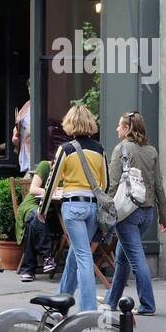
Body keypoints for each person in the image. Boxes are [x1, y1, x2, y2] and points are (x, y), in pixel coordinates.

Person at [38, 104, 106, 313]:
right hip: (94, 208)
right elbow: (106, 184)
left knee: (83, 257)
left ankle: (88, 310)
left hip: (73, 207)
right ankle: (61, 302)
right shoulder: (99, 149)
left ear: (70, 124)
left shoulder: (66, 149)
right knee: (75, 255)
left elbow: (51, 182)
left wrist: (43, 209)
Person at [102, 111, 166, 316]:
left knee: (137, 260)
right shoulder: (151, 151)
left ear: (127, 128)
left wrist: (106, 216)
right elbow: (158, 185)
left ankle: (148, 304)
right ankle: (111, 301)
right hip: (147, 213)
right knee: (123, 257)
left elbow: (113, 186)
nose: (116, 129)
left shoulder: (120, 149)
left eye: (119, 126)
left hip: (127, 214)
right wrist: (164, 217)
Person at [17, 161, 57, 282]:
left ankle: (28, 269)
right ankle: (48, 256)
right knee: (36, 216)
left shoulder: (69, 171)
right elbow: (33, 189)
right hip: (33, 204)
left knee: (32, 224)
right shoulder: (46, 166)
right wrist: (48, 192)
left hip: (53, 210)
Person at [12, 82, 32, 173]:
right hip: (25, 150)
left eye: (32, 87)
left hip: (36, 153)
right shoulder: (27, 105)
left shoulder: (45, 104)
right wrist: (15, 134)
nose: (30, 91)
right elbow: (19, 123)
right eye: (29, 88)